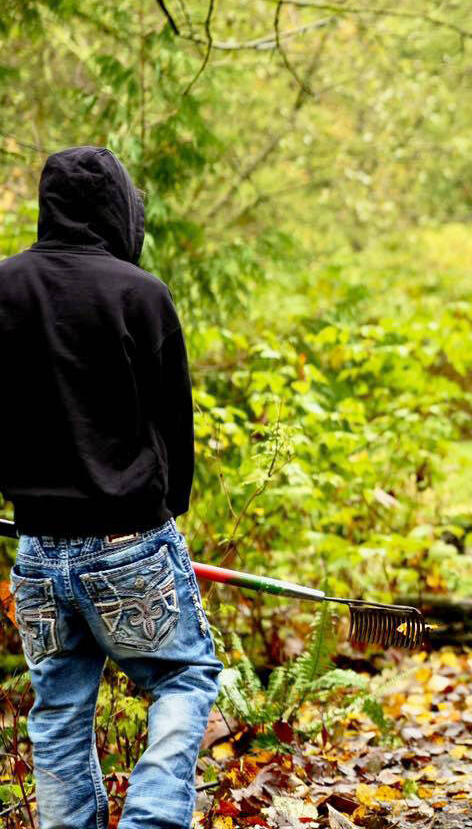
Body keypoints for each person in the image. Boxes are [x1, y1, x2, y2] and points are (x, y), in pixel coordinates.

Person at [0, 147, 221, 829]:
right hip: (130, 540)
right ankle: (152, 819)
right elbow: (172, 424)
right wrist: (167, 513)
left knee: (59, 710)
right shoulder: (138, 294)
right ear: (119, 209)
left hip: (37, 549)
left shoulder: (2, 287)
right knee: (184, 678)